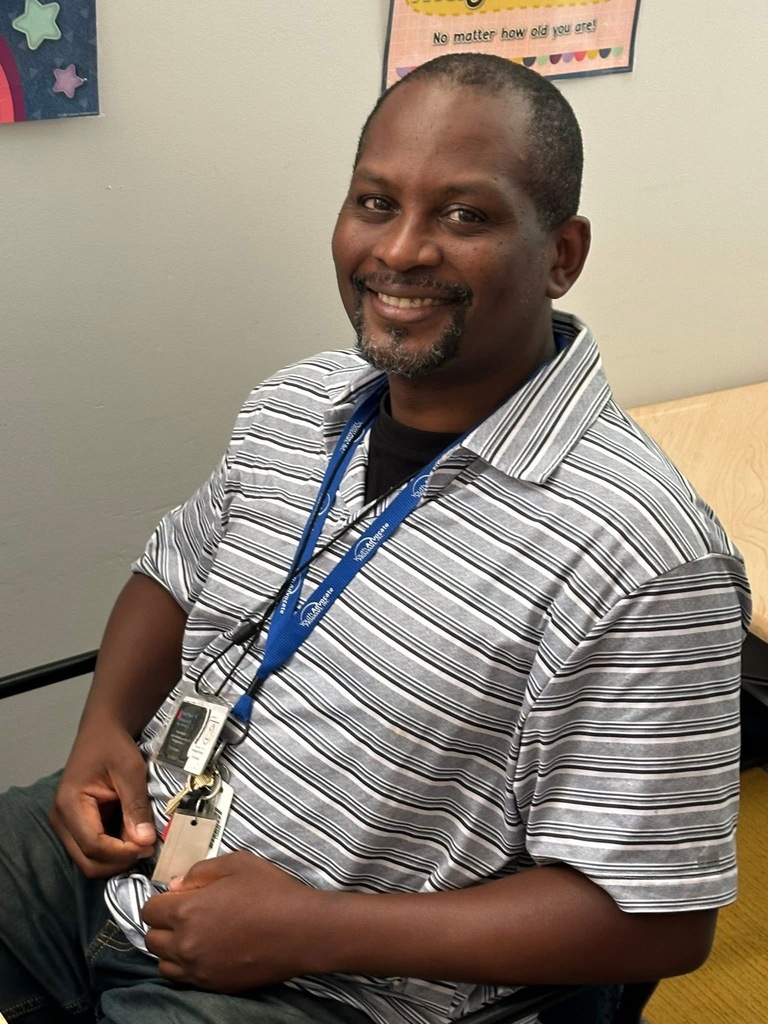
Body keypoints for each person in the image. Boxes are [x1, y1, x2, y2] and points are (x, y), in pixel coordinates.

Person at [0, 53, 750, 1024]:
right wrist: (102, 731)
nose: (399, 252)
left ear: (562, 253)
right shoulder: (298, 402)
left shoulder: (643, 554)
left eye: (465, 215)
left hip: (335, 984)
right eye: (374, 202)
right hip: (132, 856)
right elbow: (171, 573)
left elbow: (658, 918)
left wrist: (317, 927)